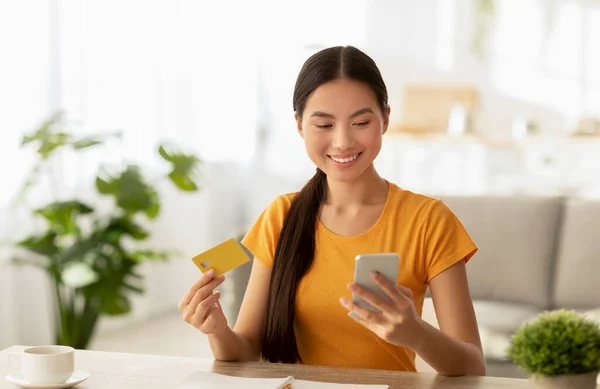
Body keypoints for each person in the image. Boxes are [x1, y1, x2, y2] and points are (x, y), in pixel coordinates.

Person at [178, 45, 486, 376]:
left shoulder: (429, 221)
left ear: (385, 119)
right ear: (299, 125)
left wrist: (417, 334)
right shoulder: (280, 216)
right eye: (324, 125)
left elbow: (472, 366)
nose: (342, 142)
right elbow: (244, 351)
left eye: (361, 122)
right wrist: (217, 330)